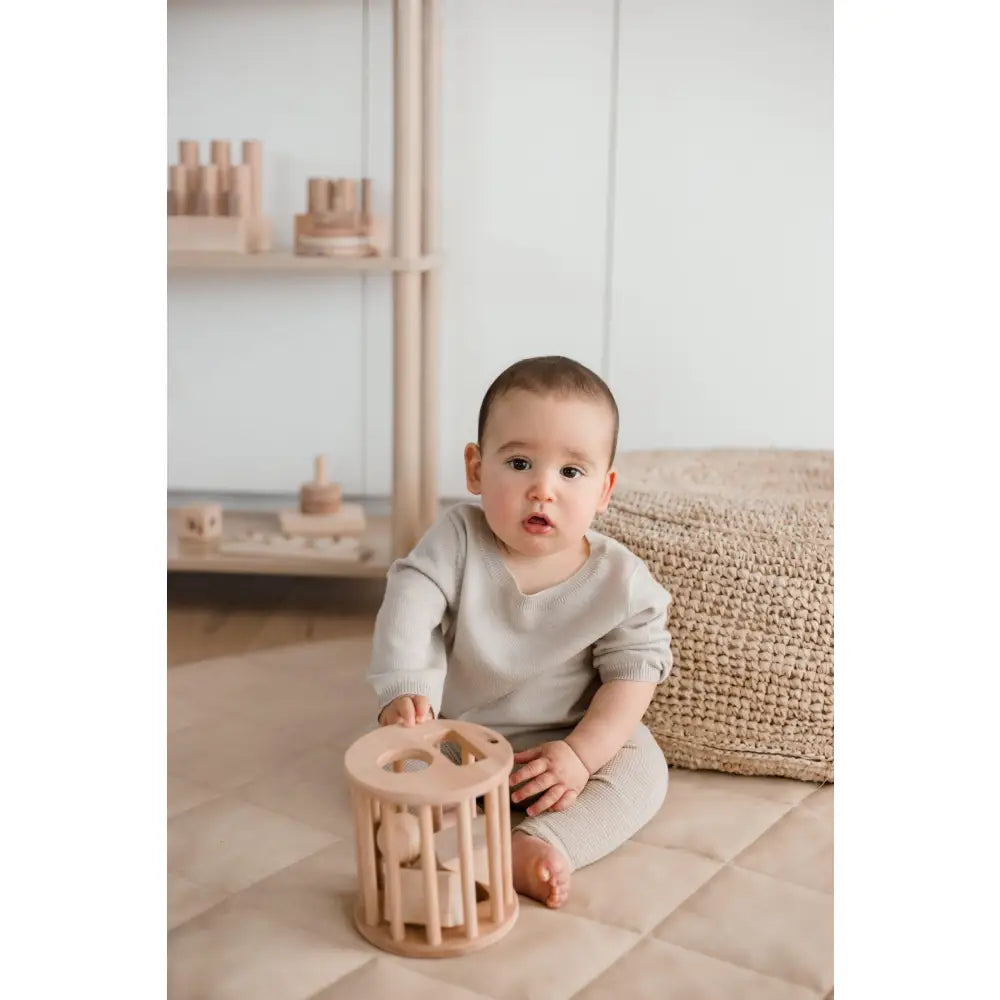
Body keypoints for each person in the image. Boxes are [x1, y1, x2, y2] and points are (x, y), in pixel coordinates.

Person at [366, 355, 672, 908]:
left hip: (562, 739)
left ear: (604, 491)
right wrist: (406, 690)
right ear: (477, 469)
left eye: (570, 472)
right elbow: (410, 600)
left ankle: (536, 845)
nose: (543, 489)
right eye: (520, 463)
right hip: (457, 740)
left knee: (643, 766)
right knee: (399, 761)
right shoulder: (457, 538)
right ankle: (421, 832)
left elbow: (635, 673)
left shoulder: (620, 579)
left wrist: (582, 754)